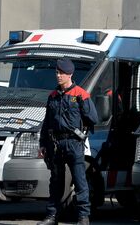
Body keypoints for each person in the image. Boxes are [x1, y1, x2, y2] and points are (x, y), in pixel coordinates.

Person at [38, 58, 99, 225]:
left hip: (74, 143)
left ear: (70, 74)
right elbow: (47, 123)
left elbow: (93, 118)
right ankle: (52, 216)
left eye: (61, 73)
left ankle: (83, 217)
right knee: (55, 182)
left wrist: (81, 132)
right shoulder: (53, 96)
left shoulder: (80, 94)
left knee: (80, 182)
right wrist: (43, 144)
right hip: (56, 144)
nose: (58, 75)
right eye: (57, 72)